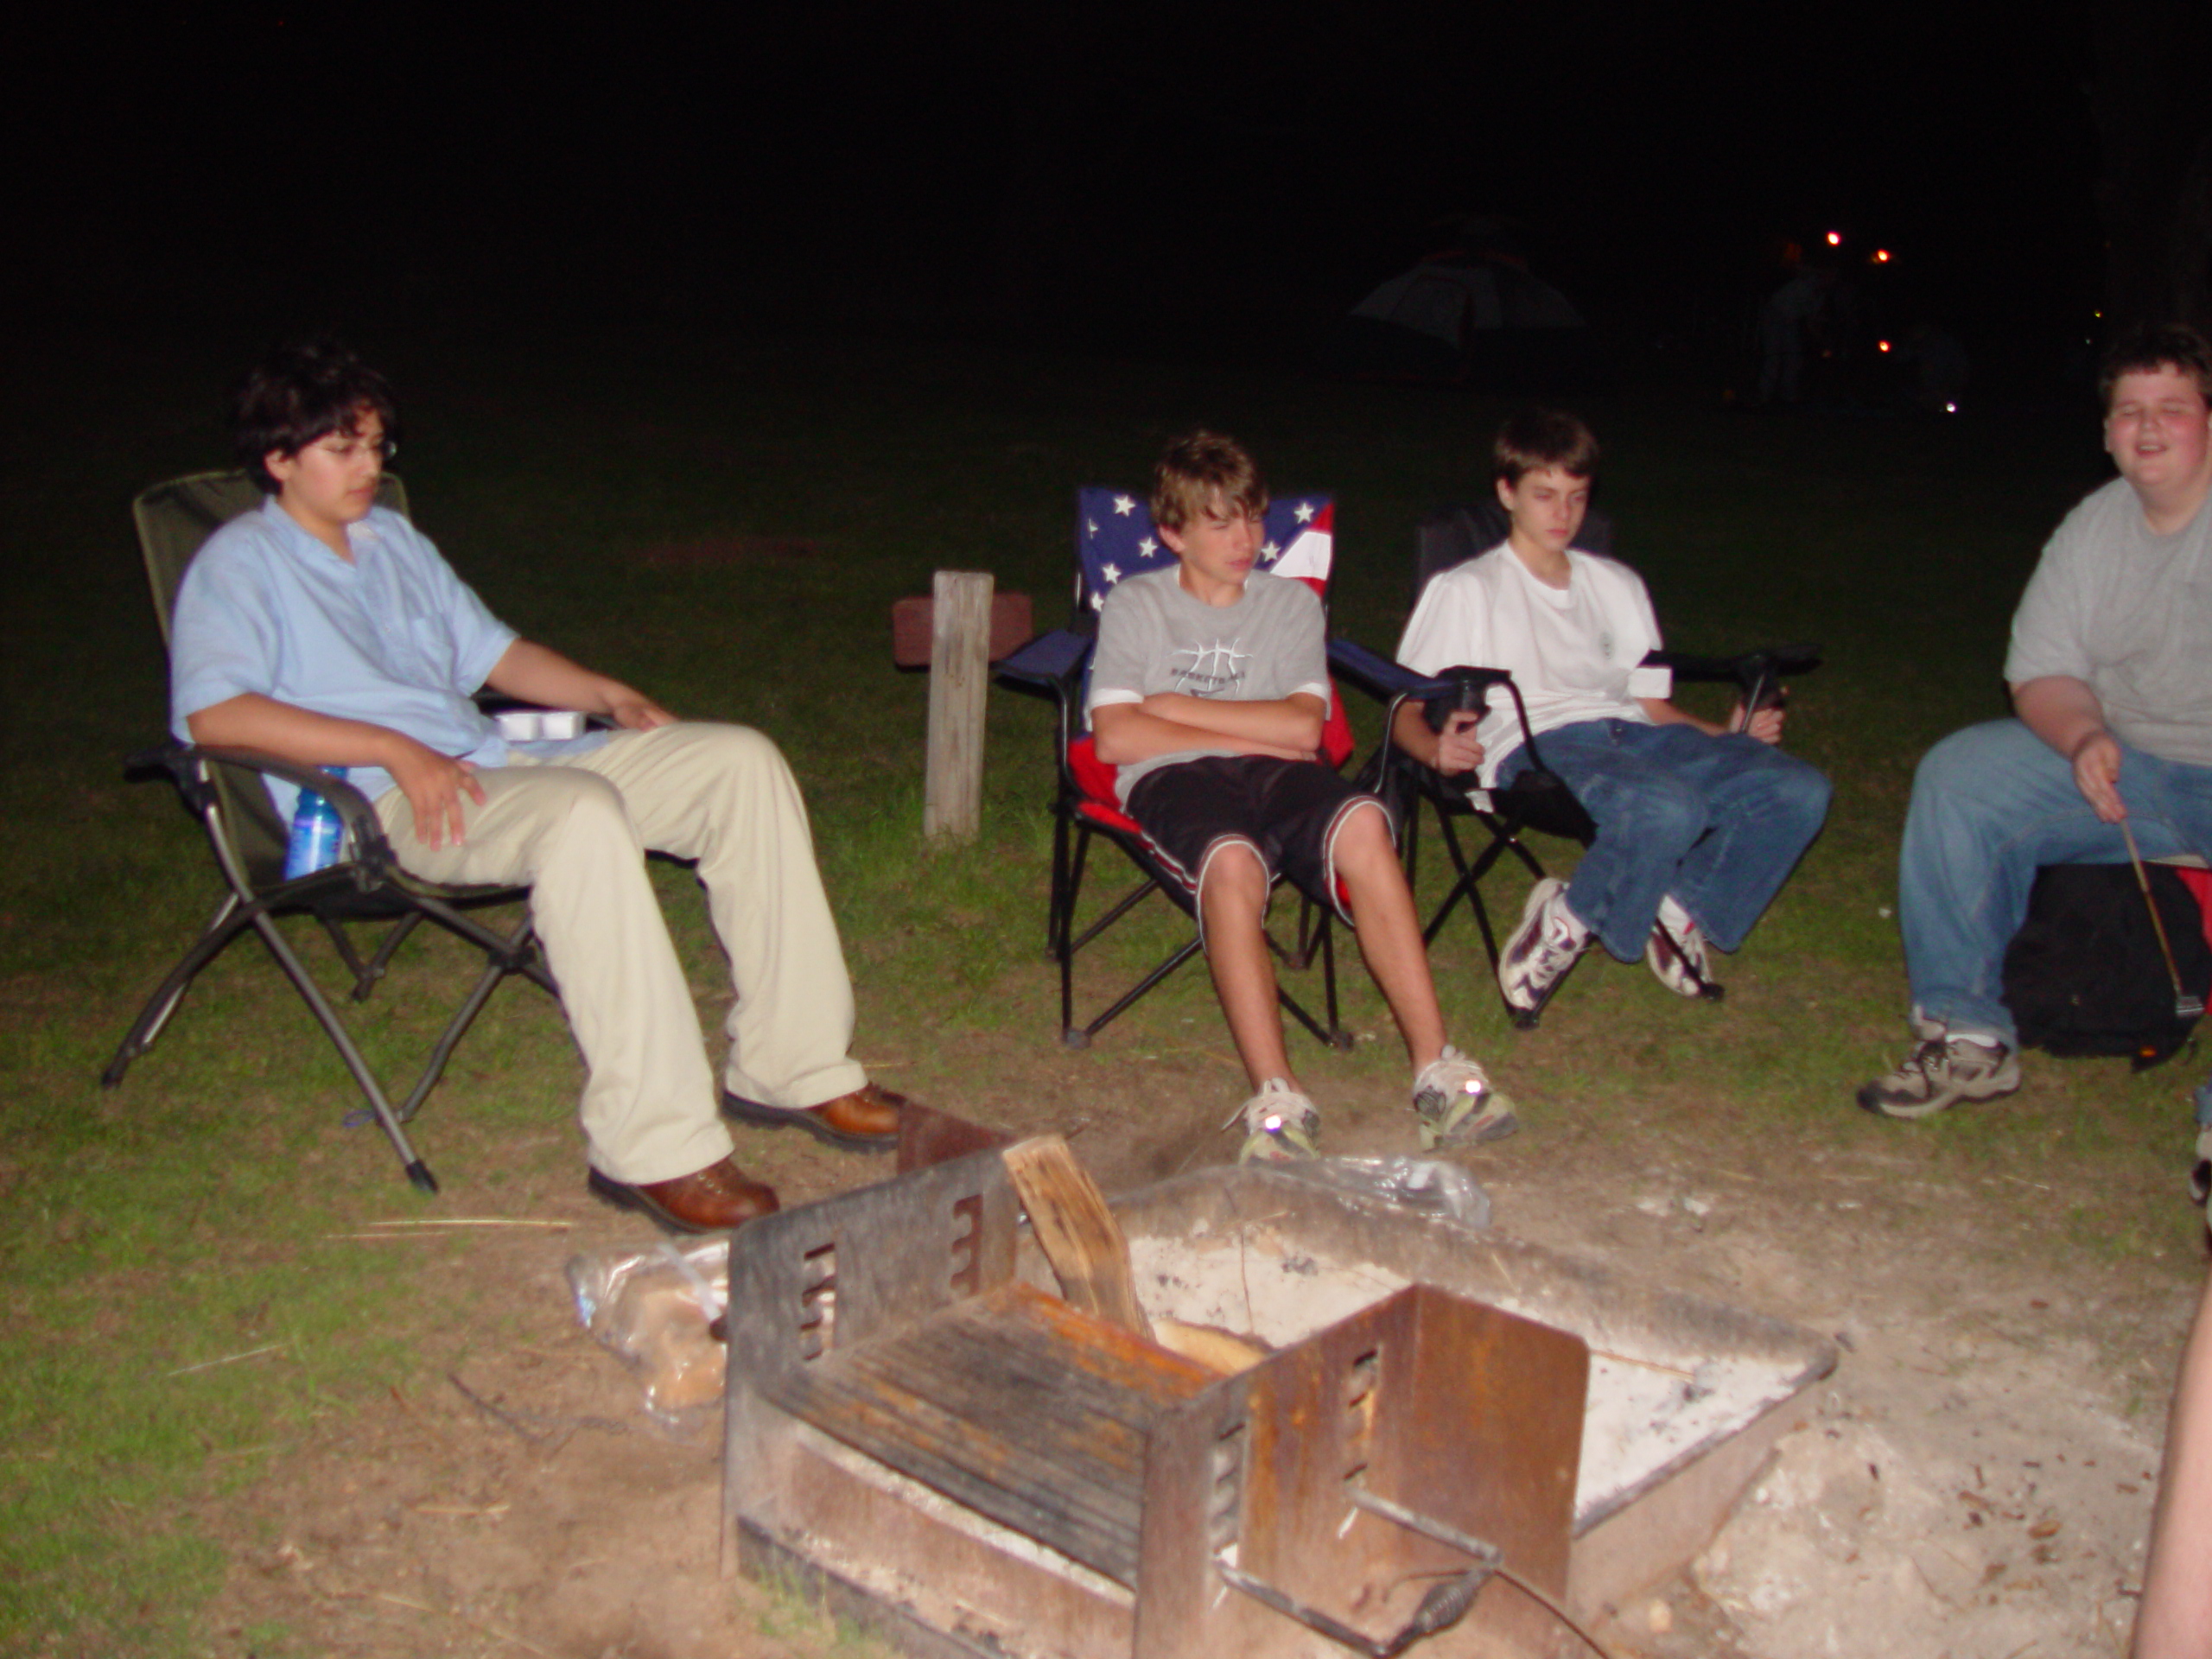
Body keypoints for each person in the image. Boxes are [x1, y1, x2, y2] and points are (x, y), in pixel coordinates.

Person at [169, 338, 910, 1231]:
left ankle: (794, 1067)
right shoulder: (238, 564)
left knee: (737, 761)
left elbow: (493, 653)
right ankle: (658, 1146)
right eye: (343, 449)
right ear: (277, 459)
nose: (369, 467)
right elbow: (213, 716)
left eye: (377, 447)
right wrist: (391, 748)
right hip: (385, 804)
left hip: (493, 765)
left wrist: (610, 694)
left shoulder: (391, 539)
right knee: (581, 816)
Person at [1087, 431, 1510, 1162]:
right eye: (1219, 522)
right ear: (1172, 533)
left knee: (1365, 827)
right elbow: (1118, 740)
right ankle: (1277, 1097)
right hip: (1173, 777)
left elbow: (1304, 728)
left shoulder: (1288, 605)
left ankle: (1437, 1068)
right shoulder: (1136, 604)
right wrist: (1243, 724)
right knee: (1233, 866)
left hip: (1275, 772)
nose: (1246, 539)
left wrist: (1171, 705)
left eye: (1253, 517)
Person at [1861, 322, 2212, 1122]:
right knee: (1964, 778)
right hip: (2136, 768)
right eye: (2130, 410)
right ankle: (1969, 1036)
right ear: (2107, 433)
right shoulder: (2095, 529)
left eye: (2173, 407)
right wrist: (2085, 736)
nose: (2149, 426)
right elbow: (2043, 672)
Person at [1394, 409, 1832, 1021]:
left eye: (1576, 497)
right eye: (1544, 496)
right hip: (1536, 744)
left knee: (1796, 787)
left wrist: (1730, 738)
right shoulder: (1467, 589)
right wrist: (1433, 751)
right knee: (1668, 807)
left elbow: (1653, 706)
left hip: (1631, 736)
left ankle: (1680, 906)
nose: (1562, 515)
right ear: (1506, 493)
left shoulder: (1618, 584)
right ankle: (1567, 922)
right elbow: (1402, 707)